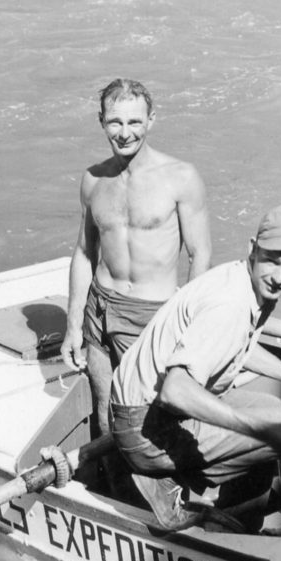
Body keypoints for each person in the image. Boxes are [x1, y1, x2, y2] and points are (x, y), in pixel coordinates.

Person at [108, 206, 281, 532]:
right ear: (252, 249)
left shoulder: (239, 279)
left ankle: (234, 520)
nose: (280, 277)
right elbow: (175, 390)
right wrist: (257, 430)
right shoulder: (230, 304)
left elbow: (237, 344)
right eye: (272, 261)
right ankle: (166, 480)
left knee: (272, 407)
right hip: (146, 431)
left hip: (141, 414)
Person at [60, 79, 212, 441]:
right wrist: (72, 324)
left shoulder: (181, 177)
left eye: (134, 122)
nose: (124, 133)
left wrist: (184, 325)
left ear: (151, 120)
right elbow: (84, 253)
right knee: (105, 412)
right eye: (115, 122)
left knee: (148, 421)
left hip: (151, 313)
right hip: (100, 311)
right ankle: (114, 493)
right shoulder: (93, 180)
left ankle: (162, 493)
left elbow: (200, 253)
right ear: (101, 122)